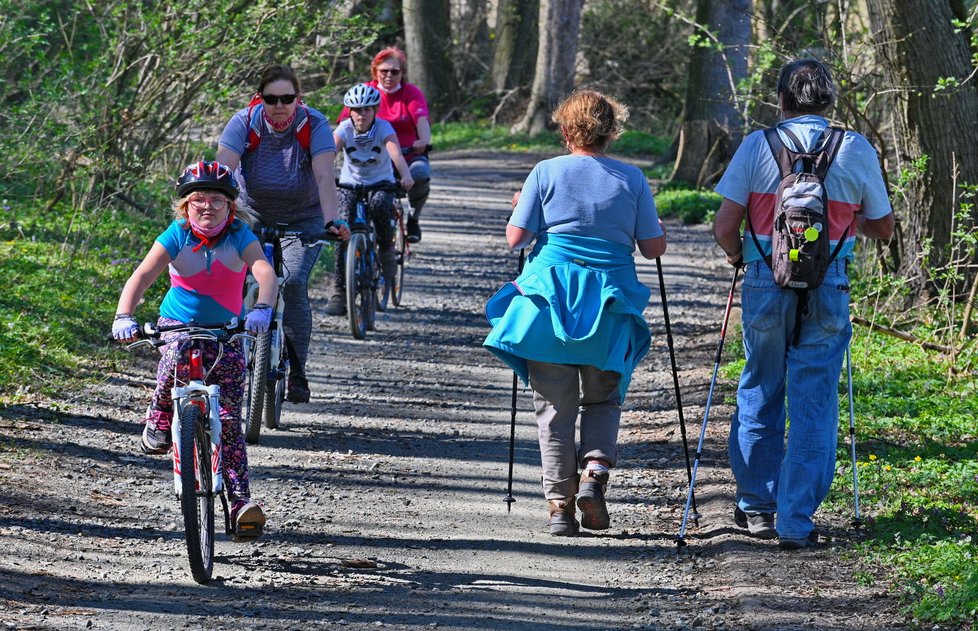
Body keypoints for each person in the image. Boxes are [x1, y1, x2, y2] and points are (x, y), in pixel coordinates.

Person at [712, 58, 894, 550]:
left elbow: (724, 226)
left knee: (760, 387)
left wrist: (739, 256)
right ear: (830, 100)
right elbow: (882, 226)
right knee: (814, 398)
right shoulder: (855, 148)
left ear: (782, 100)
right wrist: (844, 222)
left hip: (764, 281)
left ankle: (757, 509)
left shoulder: (757, 146)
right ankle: (795, 522)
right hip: (828, 281)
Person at [483, 90, 667, 536]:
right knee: (603, 397)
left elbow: (516, 239)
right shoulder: (633, 179)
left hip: (548, 306)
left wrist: (521, 208)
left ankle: (559, 507)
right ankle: (595, 473)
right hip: (609, 306)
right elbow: (653, 248)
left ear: (565, 131)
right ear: (612, 132)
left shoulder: (545, 173)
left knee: (553, 409)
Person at [111, 161, 279, 541]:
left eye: (217, 200)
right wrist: (125, 315)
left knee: (230, 420)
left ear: (231, 206)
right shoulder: (177, 235)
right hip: (179, 326)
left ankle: (240, 504)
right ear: (185, 206)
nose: (207, 207)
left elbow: (264, 273)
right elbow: (141, 276)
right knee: (174, 354)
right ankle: (159, 416)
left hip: (228, 331)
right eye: (198, 199)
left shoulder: (240, 235)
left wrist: (262, 309)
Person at [215, 63, 350, 404]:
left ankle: (298, 371)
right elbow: (223, 171)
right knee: (235, 276)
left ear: (297, 99)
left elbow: (323, 177)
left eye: (286, 98)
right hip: (252, 214)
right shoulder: (244, 123)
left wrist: (332, 220)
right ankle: (224, 357)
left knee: (290, 282)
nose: (279, 105)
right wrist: (211, 212)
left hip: (304, 217)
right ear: (259, 98)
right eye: (271, 98)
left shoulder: (314, 124)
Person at [326, 83, 414, 316]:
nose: (361, 114)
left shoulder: (384, 128)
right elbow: (327, 155)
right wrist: (319, 177)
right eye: (356, 110)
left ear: (375, 110)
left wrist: (405, 175)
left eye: (367, 109)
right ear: (349, 111)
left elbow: (395, 152)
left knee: (379, 206)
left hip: (380, 182)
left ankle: (385, 250)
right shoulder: (343, 129)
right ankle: (338, 290)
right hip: (349, 184)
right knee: (341, 226)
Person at [338, 46, 431, 243]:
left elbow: (421, 119)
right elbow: (344, 123)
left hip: (407, 154)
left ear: (402, 73)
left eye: (395, 72)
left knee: (421, 174)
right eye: (384, 71)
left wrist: (423, 140)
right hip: (371, 157)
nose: (389, 76)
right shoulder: (364, 93)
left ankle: (413, 218)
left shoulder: (411, 93)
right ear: (375, 72)